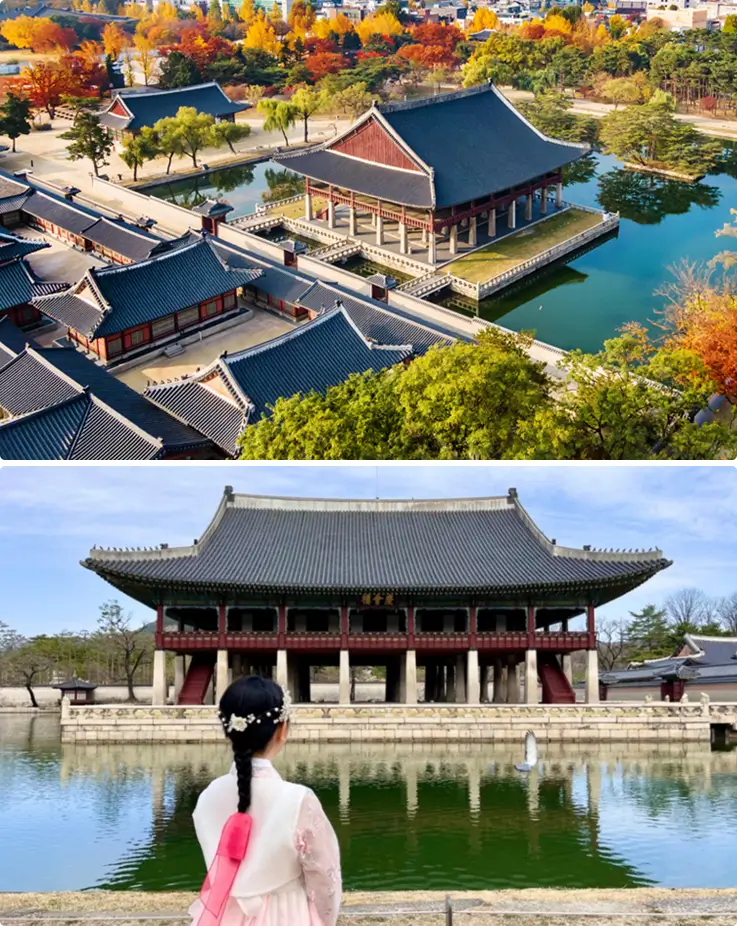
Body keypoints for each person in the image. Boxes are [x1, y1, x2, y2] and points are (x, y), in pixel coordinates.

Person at [190, 676, 342, 926]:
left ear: (228, 731)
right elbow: (326, 878)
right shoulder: (298, 800)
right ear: (282, 730)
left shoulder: (208, 796)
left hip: (224, 915)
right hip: (288, 914)